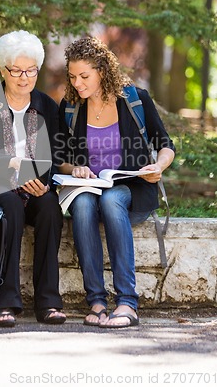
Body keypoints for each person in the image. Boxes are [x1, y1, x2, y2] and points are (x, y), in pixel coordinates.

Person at [57, 36, 175, 328]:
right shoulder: (71, 106)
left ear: (102, 70)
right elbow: (57, 156)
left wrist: (157, 166)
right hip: (88, 187)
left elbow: (166, 144)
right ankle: (96, 302)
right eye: (72, 77)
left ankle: (127, 303)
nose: (78, 84)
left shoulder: (134, 99)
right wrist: (76, 169)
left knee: (111, 200)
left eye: (84, 76)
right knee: (83, 205)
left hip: (131, 187)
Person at [0, 30, 66, 327]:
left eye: (31, 70)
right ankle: (4, 301)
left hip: (33, 186)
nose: (24, 78)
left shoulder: (47, 105)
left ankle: (48, 301)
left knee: (49, 207)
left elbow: (56, 151)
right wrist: (13, 165)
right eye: (17, 70)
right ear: (2, 70)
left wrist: (42, 180)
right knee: (10, 205)